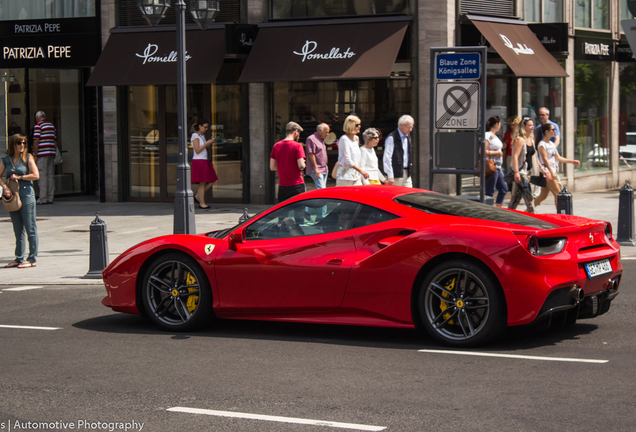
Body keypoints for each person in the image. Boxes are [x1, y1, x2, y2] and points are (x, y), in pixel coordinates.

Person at [0, 134, 40, 268]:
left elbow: (36, 175)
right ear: (13, 145)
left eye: (23, 143)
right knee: (17, 228)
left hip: (26, 193)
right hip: (12, 195)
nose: (21, 145)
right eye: (19, 143)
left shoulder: (28, 157)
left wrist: (20, 177)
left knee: (30, 227)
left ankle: (32, 258)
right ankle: (19, 257)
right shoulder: (6, 159)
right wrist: (5, 187)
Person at [534, 124, 580, 209]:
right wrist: (551, 172)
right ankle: (561, 214)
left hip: (552, 172)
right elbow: (544, 159)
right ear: (546, 132)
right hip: (547, 173)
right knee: (558, 194)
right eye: (553, 129)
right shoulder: (542, 144)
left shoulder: (551, 144)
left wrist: (572, 161)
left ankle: (528, 210)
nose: (555, 131)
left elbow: (558, 157)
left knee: (543, 196)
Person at [270, 122, 306, 201]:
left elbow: (272, 167)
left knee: (284, 211)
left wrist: (284, 166)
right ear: (295, 132)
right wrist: (303, 162)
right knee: (299, 211)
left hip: (283, 185)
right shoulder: (297, 145)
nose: (299, 136)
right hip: (297, 185)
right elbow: (301, 166)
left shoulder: (276, 146)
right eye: (299, 133)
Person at [508, 118, 536, 213]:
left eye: (532, 125)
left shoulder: (531, 140)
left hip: (527, 172)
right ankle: (534, 217)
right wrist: (516, 172)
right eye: (529, 125)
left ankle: (506, 218)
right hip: (521, 173)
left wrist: (542, 169)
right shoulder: (520, 140)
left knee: (515, 199)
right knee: (529, 197)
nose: (532, 127)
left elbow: (534, 156)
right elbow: (515, 156)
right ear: (524, 127)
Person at [190, 119, 218, 210]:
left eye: (207, 127)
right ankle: (202, 203)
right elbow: (197, 150)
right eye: (205, 127)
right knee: (202, 183)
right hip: (199, 161)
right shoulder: (195, 135)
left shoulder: (202, 135)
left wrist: (209, 143)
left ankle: (198, 196)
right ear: (200, 126)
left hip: (204, 160)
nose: (206, 129)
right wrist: (207, 143)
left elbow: (204, 148)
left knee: (212, 180)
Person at [335, 115, 368, 186]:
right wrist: (362, 171)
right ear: (350, 125)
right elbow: (347, 159)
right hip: (345, 177)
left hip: (356, 176)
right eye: (357, 125)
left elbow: (358, 158)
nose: (359, 126)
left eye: (360, 124)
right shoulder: (344, 139)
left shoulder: (356, 138)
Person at [32, 111, 57, 205]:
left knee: (42, 176)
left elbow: (36, 141)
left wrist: (35, 154)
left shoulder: (38, 126)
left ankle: (43, 198)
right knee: (50, 175)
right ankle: (50, 197)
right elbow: (55, 141)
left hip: (42, 154)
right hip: (51, 153)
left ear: (37, 117)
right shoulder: (51, 126)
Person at [383, 115, 414, 187]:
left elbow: (408, 155)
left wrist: (409, 172)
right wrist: (390, 175)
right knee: (395, 196)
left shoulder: (408, 137)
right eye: (409, 127)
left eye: (411, 127)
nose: (410, 129)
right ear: (401, 125)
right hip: (395, 174)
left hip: (406, 173)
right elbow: (387, 158)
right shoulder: (392, 137)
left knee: (408, 195)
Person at [484, 116, 508, 207]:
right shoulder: (488, 135)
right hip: (492, 167)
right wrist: (496, 152)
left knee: (503, 189)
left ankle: (498, 209)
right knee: (489, 192)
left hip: (498, 167)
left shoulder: (494, 136)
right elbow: (482, 151)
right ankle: (487, 211)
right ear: (497, 124)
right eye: (500, 124)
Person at [305, 123, 330, 189]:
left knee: (322, 189)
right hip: (317, 169)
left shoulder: (321, 139)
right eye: (326, 132)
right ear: (320, 131)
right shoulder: (311, 139)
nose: (328, 134)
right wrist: (316, 168)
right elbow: (311, 154)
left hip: (324, 168)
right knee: (322, 189)